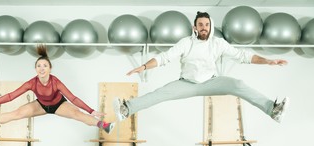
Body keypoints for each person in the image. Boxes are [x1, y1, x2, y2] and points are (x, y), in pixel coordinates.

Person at [113, 11, 289, 123]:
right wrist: (143, 66)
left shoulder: (218, 43)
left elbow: (242, 56)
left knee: (238, 84)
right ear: (194, 27)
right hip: (187, 84)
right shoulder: (186, 43)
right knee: (159, 94)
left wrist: (268, 61)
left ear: (210, 26)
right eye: (200, 25)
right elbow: (165, 58)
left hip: (212, 82)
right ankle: (126, 109)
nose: (204, 28)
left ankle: (272, 110)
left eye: (206, 25)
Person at [0, 44, 114, 134]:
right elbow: (11, 96)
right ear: (35, 69)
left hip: (59, 105)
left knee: (78, 115)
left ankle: (104, 125)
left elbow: (72, 98)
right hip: (40, 105)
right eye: (39, 66)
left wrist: (92, 110)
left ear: (50, 68)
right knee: (16, 113)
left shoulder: (56, 82)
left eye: (45, 66)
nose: (41, 68)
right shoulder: (32, 83)